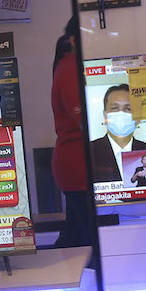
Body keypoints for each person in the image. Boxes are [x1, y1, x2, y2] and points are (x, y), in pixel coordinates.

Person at [50, 17, 94, 248]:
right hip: (77, 165)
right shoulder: (69, 70)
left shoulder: (70, 65)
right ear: (75, 39)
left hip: (76, 164)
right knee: (83, 239)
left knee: (76, 235)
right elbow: (84, 121)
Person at [89, 84, 146, 184]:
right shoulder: (88, 152)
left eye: (128, 109)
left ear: (138, 118)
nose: (121, 113)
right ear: (105, 115)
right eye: (114, 108)